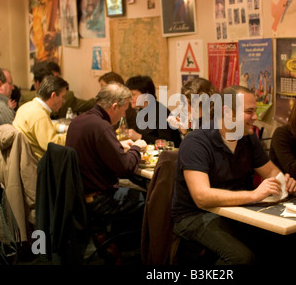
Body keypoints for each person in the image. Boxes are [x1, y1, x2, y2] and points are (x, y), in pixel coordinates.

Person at [171, 85, 296, 264]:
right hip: (194, 215)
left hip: (236, 211)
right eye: (249, 111)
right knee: (241, 258)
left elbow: (270, 171)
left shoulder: (248, 138)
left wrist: (283, 182)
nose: (256, 117)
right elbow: (202, 197)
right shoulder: (197, 142)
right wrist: (254, 195)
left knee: (286, 243)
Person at [65, 83, 147, 243]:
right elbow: (125, 167)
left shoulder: (79, 120)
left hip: (80, 194)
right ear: (114, 106)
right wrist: (137, 147)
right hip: (100, 199)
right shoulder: (101, 126)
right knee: (153, 200)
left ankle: (112, 244)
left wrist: (118, 146)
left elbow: (93, 149)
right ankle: (133, 250)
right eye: (124, 111)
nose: (123, 115)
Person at [13, 76, 68, 160]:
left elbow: (45, 126)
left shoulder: (26, 106)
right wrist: (71, 134)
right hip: (39, 163)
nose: (63, 101)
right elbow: (52, 145)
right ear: (53, 96)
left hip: (25, 159)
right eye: (62, 97)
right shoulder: (39, 115)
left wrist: (63, 128)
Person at [125, 75, 181, 147]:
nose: (131, 98)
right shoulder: (141, 110)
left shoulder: (161, 112)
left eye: (133, 94)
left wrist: (140, 137)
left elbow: (166, 142)